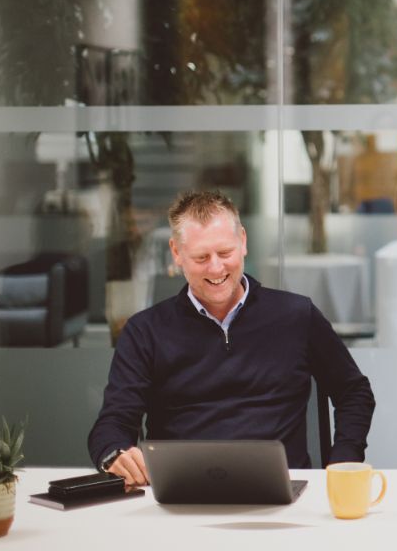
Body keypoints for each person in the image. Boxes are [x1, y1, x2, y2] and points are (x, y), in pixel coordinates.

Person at [87, 190, 375, 486]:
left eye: (225, 253)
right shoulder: (145, 331)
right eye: (201, 257)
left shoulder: (296, 315)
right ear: (176, 253)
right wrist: (114, 454)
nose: (216, 268)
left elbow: (354, 392)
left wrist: (343, 460)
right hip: (182, 495)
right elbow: (113, 422)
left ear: (244, 242)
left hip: (284, 495)